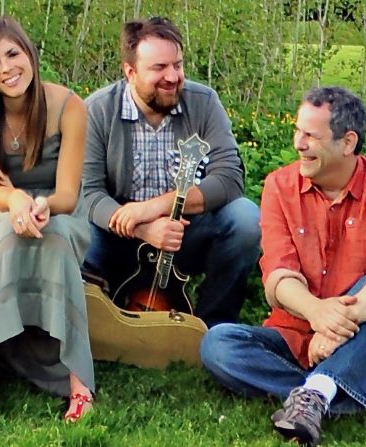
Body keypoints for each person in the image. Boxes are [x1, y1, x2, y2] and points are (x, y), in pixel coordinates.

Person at [199, 87, 366, 445]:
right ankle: (358, 395)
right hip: (294, 338)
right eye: (298, 131)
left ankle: (317, 394)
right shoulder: (280, 186)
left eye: (311, 136)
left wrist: (336, 326)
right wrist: (317, 312)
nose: (298, 144)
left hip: (362, 339)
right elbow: (278, 275)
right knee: (216, 343)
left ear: (347, 142)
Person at [0, 17, 94, 422]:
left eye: (13, 54)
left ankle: (81, 386)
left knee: (57, 239)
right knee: (10, 241)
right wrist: (18, 204)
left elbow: (67, 193)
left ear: (29, 53)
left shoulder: (68, 105)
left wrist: (41, 206)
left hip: (59, 210)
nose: (7, 68)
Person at [82, 17, 260, 327]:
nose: (173, 77)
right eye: (159, 68)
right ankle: (90, 317)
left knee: (245, 218)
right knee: (72, 226)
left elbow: (230, 177)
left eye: (177, 65)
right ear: (130, 72)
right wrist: (140, 226)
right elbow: (88, 193)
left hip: (184, 232)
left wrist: (155, 207)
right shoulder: (97, 110)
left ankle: (212, 327)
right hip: (118, 234)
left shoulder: (203, 103)